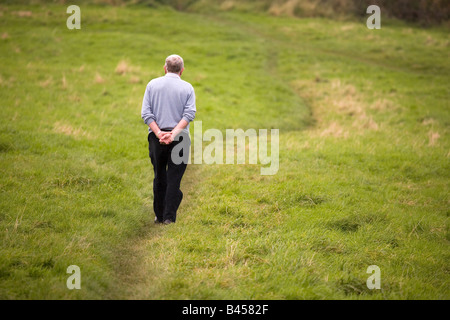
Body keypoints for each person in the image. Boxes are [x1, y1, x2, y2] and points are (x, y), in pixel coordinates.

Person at [141, 54, 196, 225]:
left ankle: (158, 215)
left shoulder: (152, 85)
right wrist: (173, 135)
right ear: (182, 70)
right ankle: (169, 218)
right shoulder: (187, 88)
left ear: (165, 68)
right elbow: (189, 114)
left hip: (156, 139)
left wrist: (159, 134)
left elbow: (146, 114)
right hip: (180, 139)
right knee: (174, 179)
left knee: (160, 176)